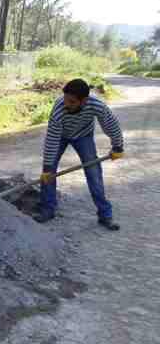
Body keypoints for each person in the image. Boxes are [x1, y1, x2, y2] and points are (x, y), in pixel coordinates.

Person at [35, 78, 124, 230]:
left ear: (84, 101)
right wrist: (48, 167)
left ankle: (105, 215)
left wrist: (118, 146)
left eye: (72, 102)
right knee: (48, 173)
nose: (66, 104)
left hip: (84, 136)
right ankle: (48, 210)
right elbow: (51, 140)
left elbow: (111, 124)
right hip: (61, 136)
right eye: (65, 99)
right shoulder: (59, 110)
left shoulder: (96, 105)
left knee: (93, 172)